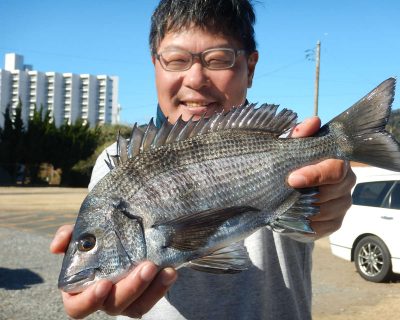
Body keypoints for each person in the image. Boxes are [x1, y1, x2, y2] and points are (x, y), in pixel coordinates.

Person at [50, 0, 356, 319]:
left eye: (219, 59)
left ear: (250, 68)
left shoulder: (289, 148)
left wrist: (328, 200)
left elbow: (309, 221)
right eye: (176, 59)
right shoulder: (115, 161)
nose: (196, 79)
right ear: (155, 64)